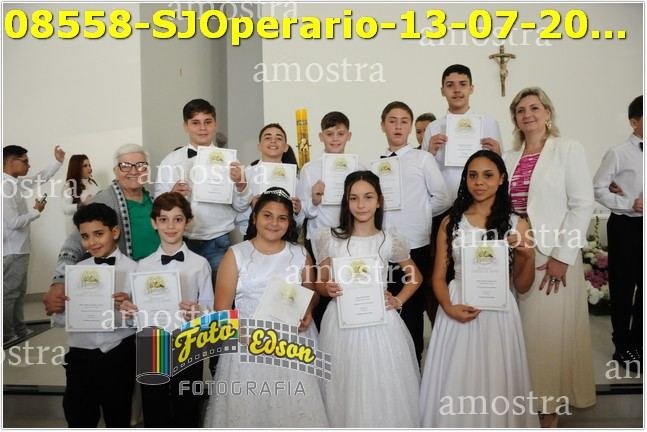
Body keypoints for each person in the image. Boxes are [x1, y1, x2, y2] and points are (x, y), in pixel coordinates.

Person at [419, 150, 538, 428]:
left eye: (487, 175)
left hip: (499, 310)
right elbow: (438, 277)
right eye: (472, 176)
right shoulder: (451, 221)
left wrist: (526, 256)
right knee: (457, 373)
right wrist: (448, 307)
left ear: (502, 179)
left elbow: (523, 285)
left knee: (496, 374)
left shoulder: (517, 223)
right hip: (458, 304)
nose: (479, 182)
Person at [504, 87, 596, 427]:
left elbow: (581, 205)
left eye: (534, 108)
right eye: (520, 110)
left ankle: (548, 414)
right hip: (517, 253)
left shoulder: (567, 149)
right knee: (520, 336)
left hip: (551, 257)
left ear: (547, 112)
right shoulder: (509, 158)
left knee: (545, 339)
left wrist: (562, 256)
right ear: (515, 119)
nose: (527, 114)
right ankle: (522, 410)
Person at [203, 187, 328, 428]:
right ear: (254, 218)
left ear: (289, 223)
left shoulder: (300, 253)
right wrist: (244, 337)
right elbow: (222, 309)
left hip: (294, 342)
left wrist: (308, 310)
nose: (274, 223)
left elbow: (311, 294)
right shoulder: (236, 254)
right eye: (267, 215)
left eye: (282, 218)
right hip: (248, 343)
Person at [312, 170, 421, 427]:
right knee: (345, 380)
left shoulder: (389, 239)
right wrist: (327, 288)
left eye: (368, 197)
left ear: (379, 201)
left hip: (380, 322)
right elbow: (319, 281)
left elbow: (415, 276)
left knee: (381, 379)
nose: (361, 205)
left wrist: (398, 300)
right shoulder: (330, 238)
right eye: (354, 198)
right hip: (341, 322)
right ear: (346, 202)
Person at [121, 192, 213, 427]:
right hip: (153, 343)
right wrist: (130, 313)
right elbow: (136, 317)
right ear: (154, 223)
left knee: (187, 406)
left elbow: (210, 309)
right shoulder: (142, 266)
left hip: (188, 342)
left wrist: (198, 312)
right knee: (154, 407)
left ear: (188, 222)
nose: (170, 226)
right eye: (163, 220)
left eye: (177, 219)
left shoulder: (200, 264)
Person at [43, 144, 160, 315]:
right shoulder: (103, 201)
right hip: (123, 287)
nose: (134, 171)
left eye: (140, 165)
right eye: (125, 166)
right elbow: (73, 243)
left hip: (157, 282)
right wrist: (59, 281)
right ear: (115, 171)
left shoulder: (155, 199)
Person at [50, 203, 137, 427]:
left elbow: (141, 321)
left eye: (99, 234)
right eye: (85, 236)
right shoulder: (74, 273)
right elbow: (60, 321)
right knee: (78, 416)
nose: (92, 242)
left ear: (114, 232)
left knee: (118, 417)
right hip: (80, 356)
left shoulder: (135, 270)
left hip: (118, 355)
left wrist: (127, 309)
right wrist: (60, 308)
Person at [379, 101, 451, 363]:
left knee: (412, 312)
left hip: (415, 246)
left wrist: (418, 215)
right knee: (387, 307)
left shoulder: (423, 159)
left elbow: (442, 197)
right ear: (382, 125)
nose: (398, 126)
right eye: (392, 121)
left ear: (410, 126)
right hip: (384, 249)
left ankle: (414, 368)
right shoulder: (375, 164)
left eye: (404, 121)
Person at [155, 98, 251, 280]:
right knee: (186, 293)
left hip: (219, 240)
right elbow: (157, 207)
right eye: (195, 123)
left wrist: (241, 185)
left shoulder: (231, 161)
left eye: (207, 122)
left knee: (222, 293)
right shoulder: (170, 161)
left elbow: (241, 206)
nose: (202, 128)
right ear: (186, 126)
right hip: (182, 241)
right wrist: (171, 195)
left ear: (215, 124)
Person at [296, 111, 362, 328]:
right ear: (321, 136)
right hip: (319, 241)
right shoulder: (309, 169)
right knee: (321, 291)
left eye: (340, 134)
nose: (335, 138)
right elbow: (300, 214)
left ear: (349, 136)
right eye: (329, 133)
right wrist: (314, 200)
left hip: (351, 239)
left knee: (348, 289)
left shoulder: (358, 167)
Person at [593, 95, 643, 372]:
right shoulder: (618, 152)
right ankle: (622, 344)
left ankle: (639, 342)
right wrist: (628, 204)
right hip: (626, 225)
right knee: (623, 288)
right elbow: (598, 188)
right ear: (634, 122)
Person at [3, 145, 65, 344]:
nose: (29, 166)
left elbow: (38, 179)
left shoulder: (13, 183)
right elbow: (13, 222)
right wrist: (36, 211)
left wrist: (57, 162)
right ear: (11, 161)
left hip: (19, 248)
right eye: (25, 161)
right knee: (9, 295)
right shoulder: (5, 187)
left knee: (18, 293)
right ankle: (7, 335)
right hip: (11, 250)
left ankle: (19, 330)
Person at [421, 64, 503, 201]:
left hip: (481, 202)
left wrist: (498, 155)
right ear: (442, 91)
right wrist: (430, 154)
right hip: (445, 204)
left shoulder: (489, 123)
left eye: (463, 84)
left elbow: (500, 169)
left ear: (471, 88)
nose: (457, 90)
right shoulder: (433, 128)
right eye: (450, 85)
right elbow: (422, 174)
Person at [235, 123, 303, 236]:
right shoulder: (246, 173)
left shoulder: (295, 178)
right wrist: (251, 205)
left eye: (278, 138)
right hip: (253, 235)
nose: (273, 141)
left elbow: (300, 219)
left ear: (286, 147)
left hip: (285, 235)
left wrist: (298, 210)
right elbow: (237, 208)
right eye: (267, 137)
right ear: (259, 146)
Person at [63, 154, 100, 233]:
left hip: (93, 226)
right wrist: (83, 204)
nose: (89, 168)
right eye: (85, 166)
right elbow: (65, 209)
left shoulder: (93, 183)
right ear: (77, 168)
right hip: (77, 229)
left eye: (89, 165)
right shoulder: (69, 185)